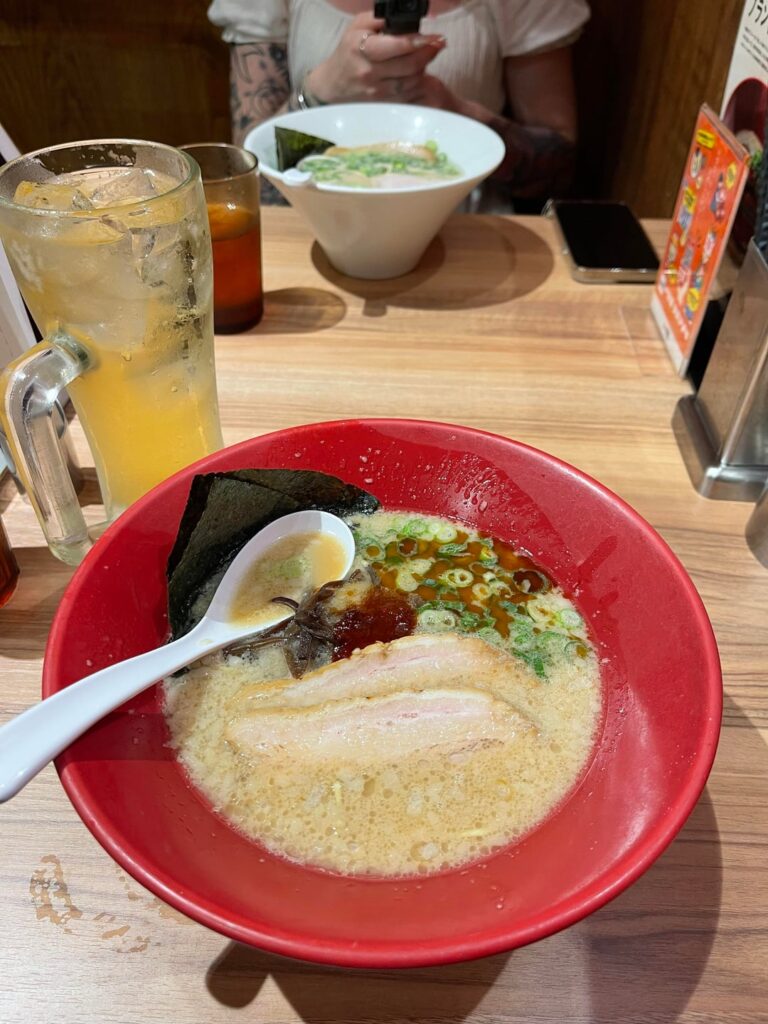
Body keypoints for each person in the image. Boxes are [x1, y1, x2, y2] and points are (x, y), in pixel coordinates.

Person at [208, 0, 589, 204]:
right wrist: (322, 91)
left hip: (467, 239)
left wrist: (455, 113)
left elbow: (557, 168)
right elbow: (245, 180)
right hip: (307, 235)